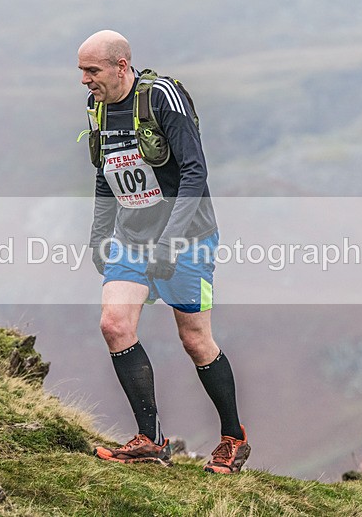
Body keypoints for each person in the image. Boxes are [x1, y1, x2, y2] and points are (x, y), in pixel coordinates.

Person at [77, 29, 250, 474]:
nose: (84, 80)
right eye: (81, 71)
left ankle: (233, 438)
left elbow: (194, 172)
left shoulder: (162, 98)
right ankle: (150, 440)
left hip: (188, 236)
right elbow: (105, 173)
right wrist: (99, 235)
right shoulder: (97, 107)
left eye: (91, 70)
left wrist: (171, 242)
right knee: (114, 325)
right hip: (132, 238)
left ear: (121, 66)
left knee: (194, 339)